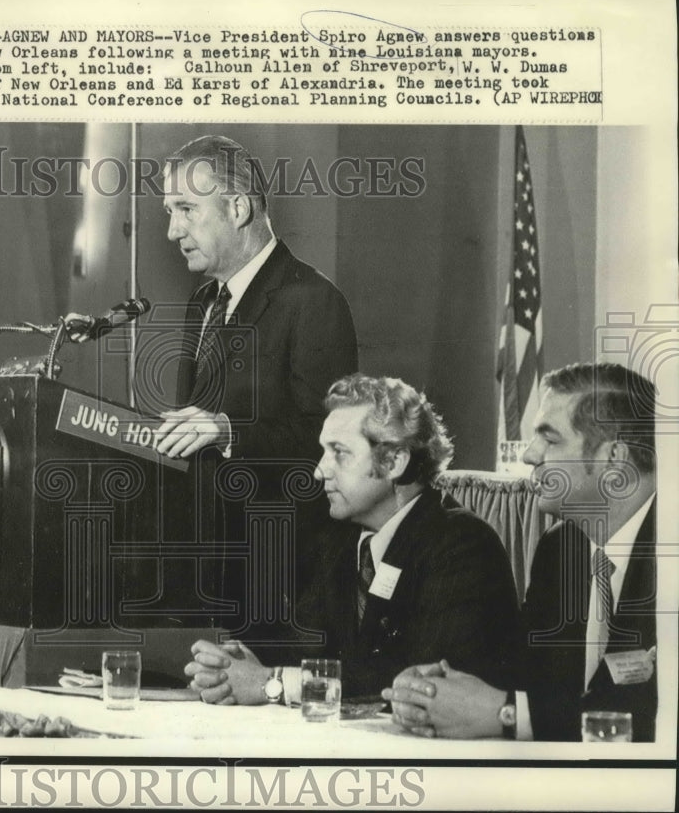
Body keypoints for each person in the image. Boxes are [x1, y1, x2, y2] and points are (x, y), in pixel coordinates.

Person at [183, 374, 519, 704]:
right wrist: (242, 660)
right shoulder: (338, 542)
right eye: (323, 452)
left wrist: (274, 683)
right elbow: (304, 646)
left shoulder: (463, 546)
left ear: (394, 461)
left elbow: (416, 682)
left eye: (339, 453)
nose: (319, 471)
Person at [385, 362, 658, 742]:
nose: (530, 456)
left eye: (550, 439)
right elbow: (520, 674)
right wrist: (430, 689)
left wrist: (506, 714)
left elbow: (651, 718)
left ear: (614, 458)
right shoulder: (560, 548)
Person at [154, 134, 358, 462]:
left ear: (238, 208)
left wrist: (227, 432)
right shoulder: (202, 302)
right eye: (169, 211)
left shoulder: (315, 301)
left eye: (187, 209)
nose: (173, 231)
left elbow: (328, 439)